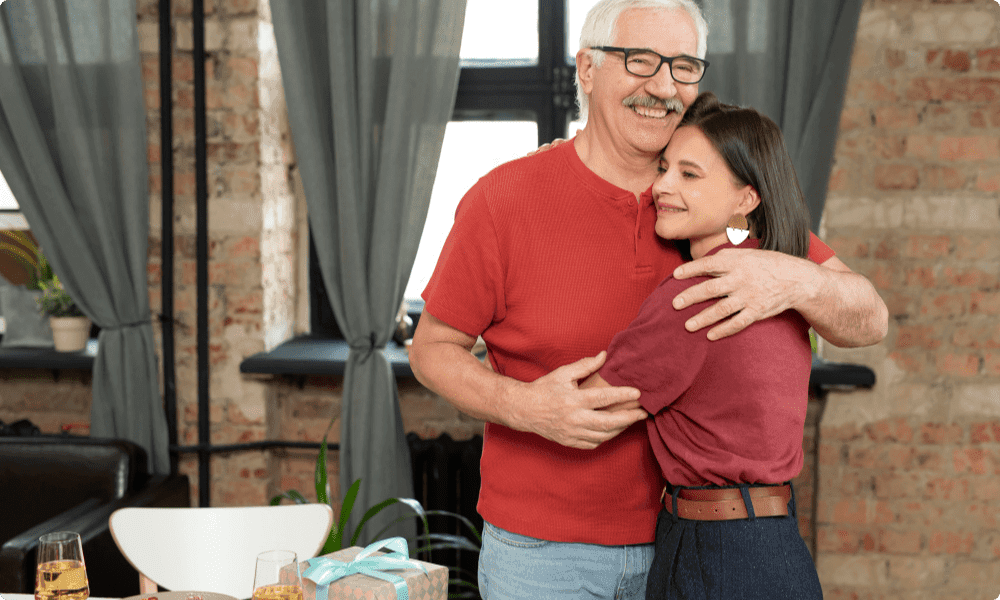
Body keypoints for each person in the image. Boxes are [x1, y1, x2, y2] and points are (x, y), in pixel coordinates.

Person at [409, 0, 888, 598]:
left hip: (685, 548)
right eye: (640, 61)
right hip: (544, 557)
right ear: (586, 70)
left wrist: (794, 279)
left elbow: (867, 318)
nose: (663, 86)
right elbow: (431, 349)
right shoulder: (504, 198)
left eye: (685, 66)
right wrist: (525, 407)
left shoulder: (718, 210)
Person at [581, 91, 825, 599]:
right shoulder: (780, 273)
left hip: (715, 551)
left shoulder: (697, 293)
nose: (662, 186)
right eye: (664, 168)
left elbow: (586, 406)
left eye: (689, 175)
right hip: (778, 545)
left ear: (746, 199)